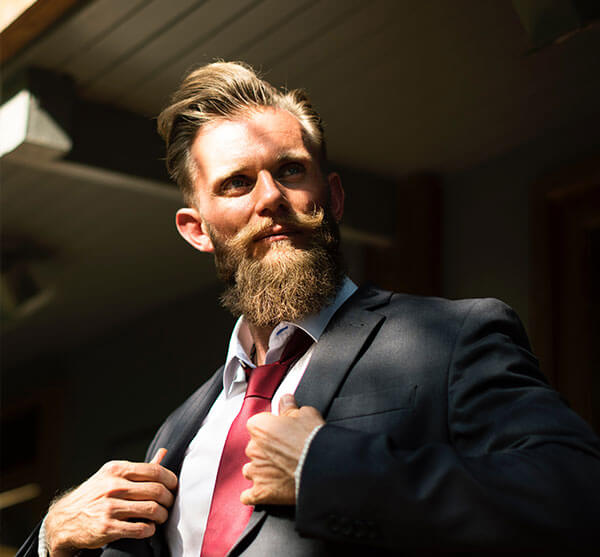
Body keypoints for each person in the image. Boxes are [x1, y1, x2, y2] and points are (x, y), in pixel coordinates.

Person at [18, 61, 600, 557]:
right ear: (197, 230)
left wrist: (328, 468)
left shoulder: (454, 338)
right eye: (237, 183)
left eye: (290, 170)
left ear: (334, 197)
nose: (271, 197)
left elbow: (579, 496)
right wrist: (51, 538)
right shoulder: (178, 430)